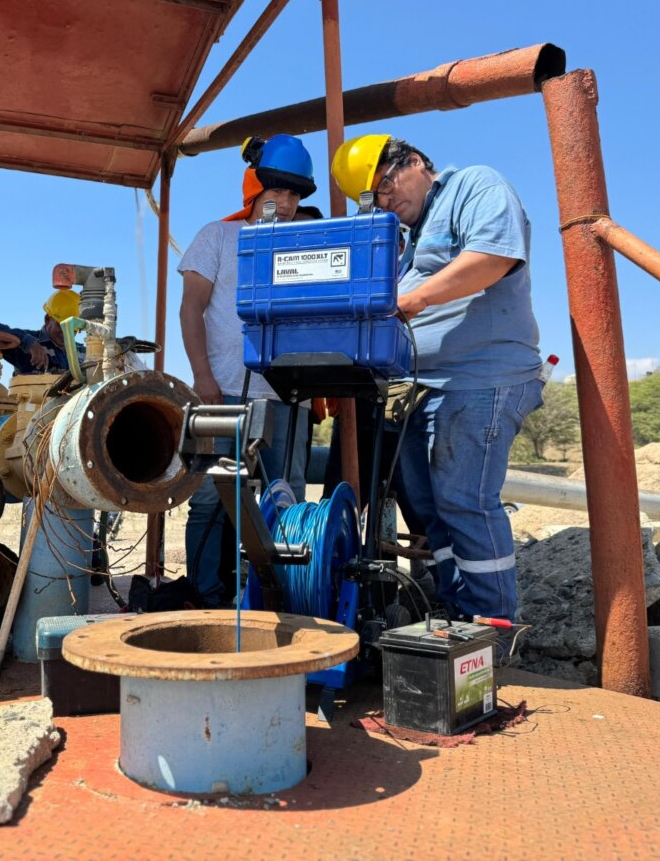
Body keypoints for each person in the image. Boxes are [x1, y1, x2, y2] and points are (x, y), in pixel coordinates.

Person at [332, 135, 544, 630]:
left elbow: (493, 259)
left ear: (417, 162)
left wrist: (415, 300)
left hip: (479, 378)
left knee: (464, 501)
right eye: (376, 197)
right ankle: (455, 617)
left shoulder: (474, 185)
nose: (387, 201)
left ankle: (494, 626)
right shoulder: (405, 239)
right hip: (420, 388)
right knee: (430, 512)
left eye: (386, 184)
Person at [177, 134, 316, 607]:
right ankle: (205, 596)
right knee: (213, 500)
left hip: (284, 396)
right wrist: (202, 377)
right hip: (223, 391)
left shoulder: (307, 248)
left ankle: (287, 598)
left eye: (295, 194)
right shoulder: (217, 236)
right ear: (255, 189)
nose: (287, 202)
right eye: (277, 191)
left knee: (287, 497)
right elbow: (190, 310)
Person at [0, 288, 83, 374]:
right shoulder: (24, 344)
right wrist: (28, 342)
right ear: (47, 319)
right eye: (61, 326)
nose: (66, 333)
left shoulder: (84, 352)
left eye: (73, 330)